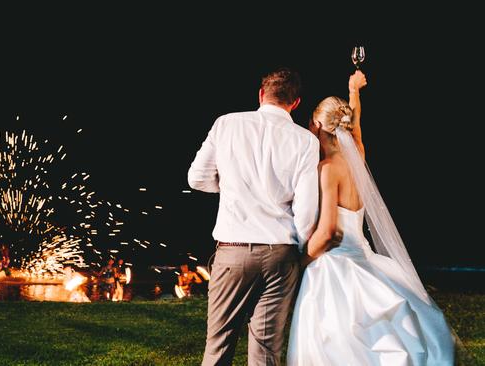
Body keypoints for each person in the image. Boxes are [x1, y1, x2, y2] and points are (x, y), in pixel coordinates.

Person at [287, 71, 454, 365]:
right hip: (364, 257)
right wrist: (354, 92)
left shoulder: (327, 168)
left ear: (315, 126)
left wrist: (298, 264)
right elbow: (358, 128)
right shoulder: (357, 156)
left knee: (333, 341)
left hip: (334, 264)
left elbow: (326, 232)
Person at [189, 67, 319, 365]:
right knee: (266, 352)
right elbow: (306, 210)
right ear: (295, 102)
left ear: (261, 95)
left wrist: (233, 188)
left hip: (233, 252)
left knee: (218, 345)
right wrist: (299, 250)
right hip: (280, 254)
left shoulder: (226, 124)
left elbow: (196, 178)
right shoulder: (305, 141)